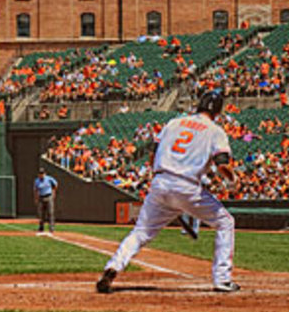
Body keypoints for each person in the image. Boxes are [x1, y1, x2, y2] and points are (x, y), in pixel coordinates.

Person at [97, 90, 238, 293]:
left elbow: (153, 152)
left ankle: (113, 266)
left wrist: (156, 176)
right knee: (225, 222)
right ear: (217, 111)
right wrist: (233, 180)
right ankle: (222, 279)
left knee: (140, 233)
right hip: (188, 186)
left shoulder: (173, 123)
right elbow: (222, 164)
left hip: (161, 182)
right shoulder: (215, 131)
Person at [33, 168, 58, 234]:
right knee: (41, 214)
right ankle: (41, 227)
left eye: (42, 173)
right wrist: (36, 198)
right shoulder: (37, 181)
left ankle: (51, 228)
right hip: (41, 197)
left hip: (48, 196)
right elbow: (36, 189)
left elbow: (55, 185)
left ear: (45, 173)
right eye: (40, 174)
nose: (41, 175)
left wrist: (54, 192)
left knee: (50, 212)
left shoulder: (49, 179)